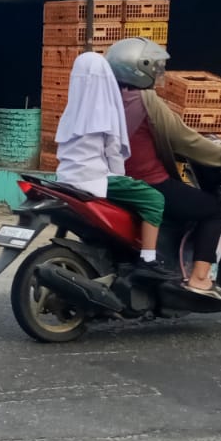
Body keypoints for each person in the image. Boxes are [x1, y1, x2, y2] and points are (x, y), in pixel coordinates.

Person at [108, 37, 221, 296]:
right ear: (140, 68)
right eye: (155, 68)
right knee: (214, 209)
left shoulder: (110, 98)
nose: (158, 74)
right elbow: (185, 139)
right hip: (149, 182)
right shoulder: (146, 100)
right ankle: (199, 278)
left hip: (113, 180)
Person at [54, 53, 171, 279]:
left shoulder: (71, 112)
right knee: (155, 199)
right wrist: (121, 176)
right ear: (105, 78)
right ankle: (148, 259)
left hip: (67, 178)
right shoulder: (104, 110)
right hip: (95, 178)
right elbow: (113, 152)